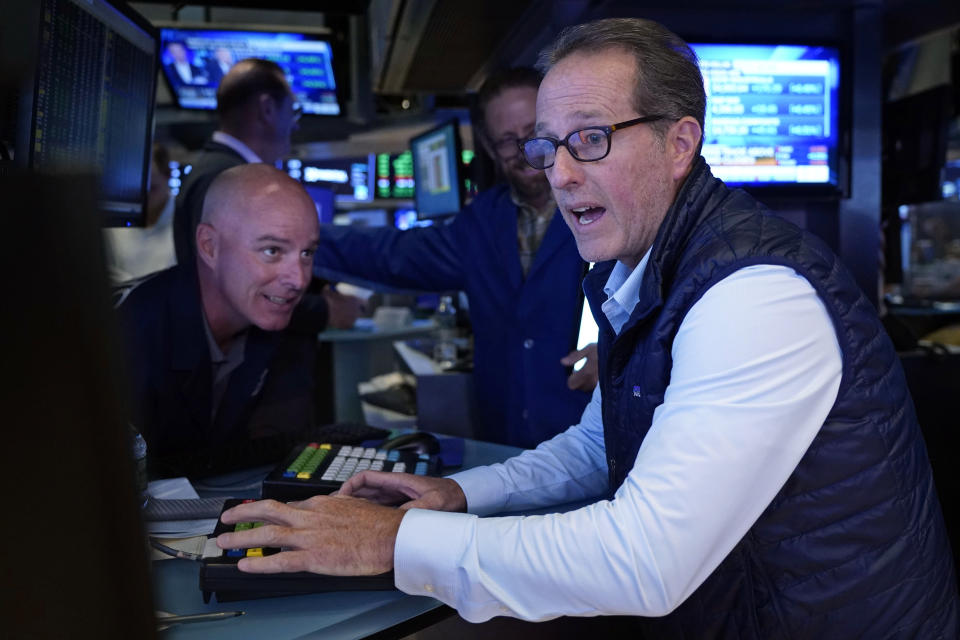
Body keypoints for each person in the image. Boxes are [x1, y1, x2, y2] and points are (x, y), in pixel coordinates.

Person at [215, 18, 959, 638]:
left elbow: (645, 559)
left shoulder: (755, 298)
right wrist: (461, 495)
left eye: (592, 138)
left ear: (679, 144)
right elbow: (602, 441)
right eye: (547, 145)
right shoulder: (637, 267)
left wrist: (395, 539)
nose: (559, 174)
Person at [313, 67, 596, 448]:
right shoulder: (481, 220)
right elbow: (391, 256)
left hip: (588, 439)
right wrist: (300, 236)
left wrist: (624, 352)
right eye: (507, 140)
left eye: (534, 133)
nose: (524, 151)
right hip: (505, 441)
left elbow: (670, 297)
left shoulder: (604, 202)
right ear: (489, 146)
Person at [116, 164, 322, 478]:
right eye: (272, 250)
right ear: (209, 246)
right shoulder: (129, 334)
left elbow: (278, 452)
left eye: (307, 253)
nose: (298, 279)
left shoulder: (282, 323)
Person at [172, 57, 364, 330]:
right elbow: (233, 291)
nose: (295, 124)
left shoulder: (221, 171)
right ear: (268, 109)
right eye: (293, 111)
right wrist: (325, 312)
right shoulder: (224, 179)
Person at [103, 143, 177, 282]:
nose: (143, 197)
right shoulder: (115, 222)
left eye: (152, 188)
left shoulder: (187, 219)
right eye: (136, 188)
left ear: (168, 175)